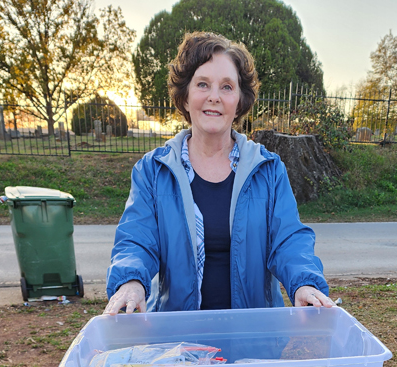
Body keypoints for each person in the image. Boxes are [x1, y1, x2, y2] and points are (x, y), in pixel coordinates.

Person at [103, 31, 334, 316]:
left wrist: (303, 283)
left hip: (254, 341)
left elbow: (289, 240)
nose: (214, 97)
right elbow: (136, 240)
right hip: (177, 343)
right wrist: (131, 281)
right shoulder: (152, 171)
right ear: (185, 97)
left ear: (239, 101)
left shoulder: (269, 169)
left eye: (227, 87)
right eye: (203, 84)